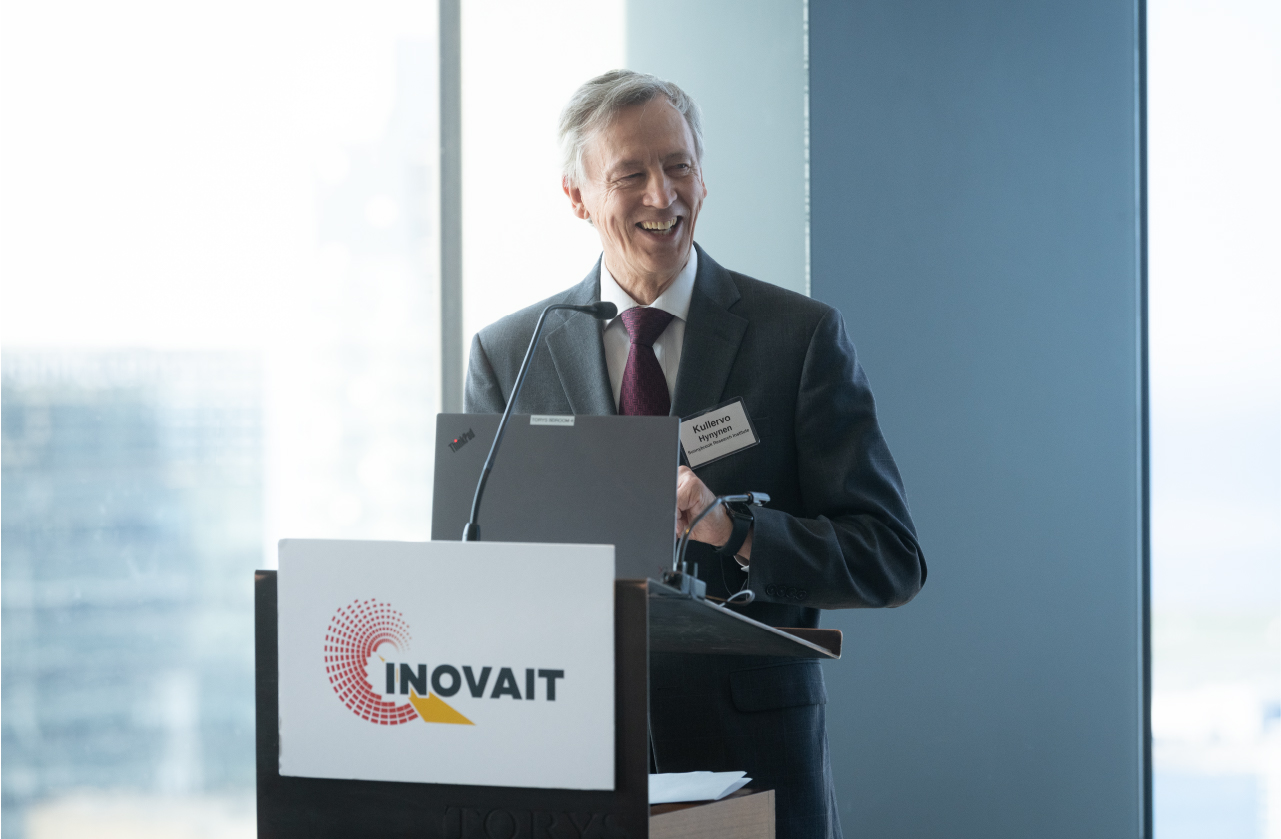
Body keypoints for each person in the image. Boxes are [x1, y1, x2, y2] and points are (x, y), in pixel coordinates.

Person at [464, 69, 925, 839]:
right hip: (566, 765)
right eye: (630, 174)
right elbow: (472, 574)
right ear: (576, 196)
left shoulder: (798, 340)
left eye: (678, 166)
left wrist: (733, 530)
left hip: (751, 767)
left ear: (703, 178)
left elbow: (890, 558)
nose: (661, 194)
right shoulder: (511, 354)